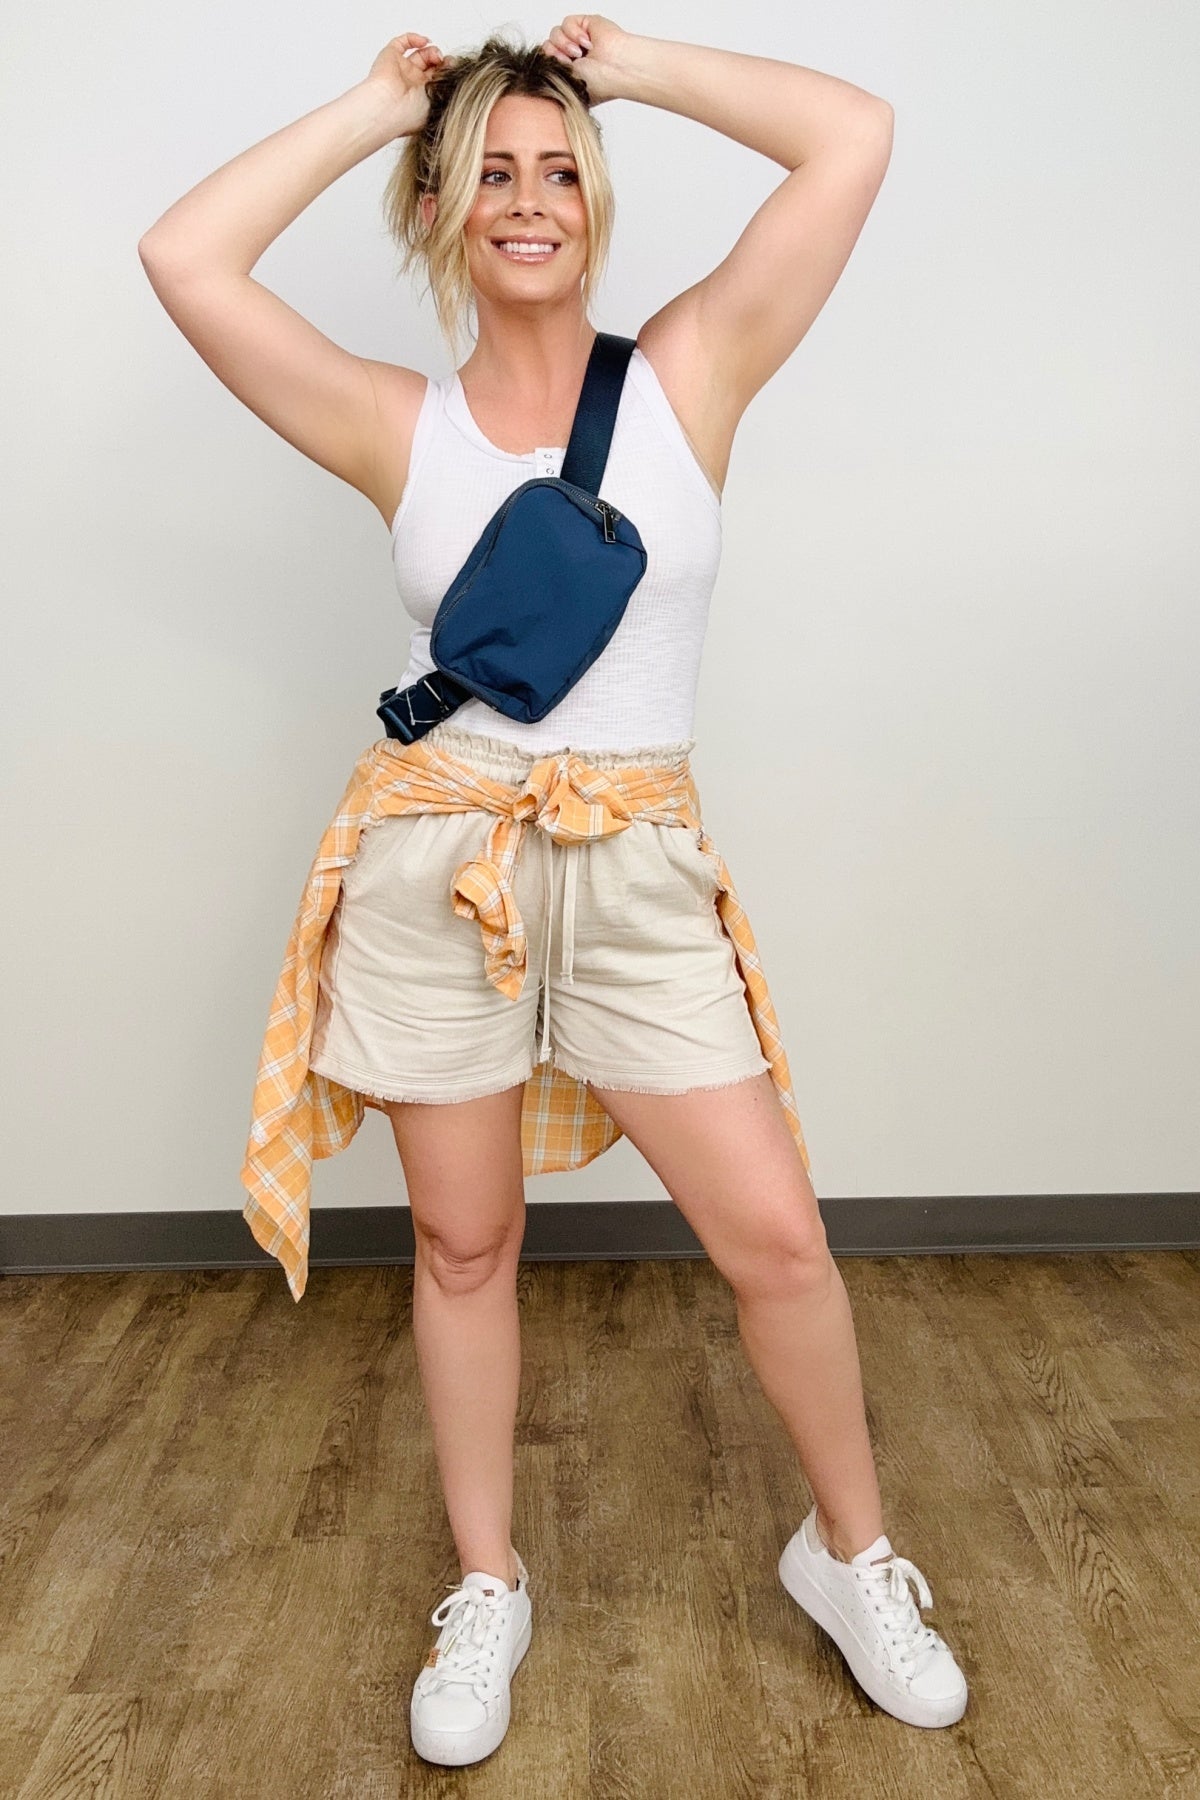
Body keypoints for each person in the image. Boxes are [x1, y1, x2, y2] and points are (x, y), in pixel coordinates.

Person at [138, 14, 968, 1766]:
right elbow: (184, 258)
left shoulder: (690, 374)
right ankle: (487, 1581)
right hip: (440, 859)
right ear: (439, 210)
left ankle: (851, 1555)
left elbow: (855, 132)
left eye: (559, 172)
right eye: (490, 174)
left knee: (777, 1239)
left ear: (597, 199)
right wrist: (377, 109)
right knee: (464, 1243)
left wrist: (632, 68)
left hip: (637, 858)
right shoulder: (395, 422)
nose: (528, 201)